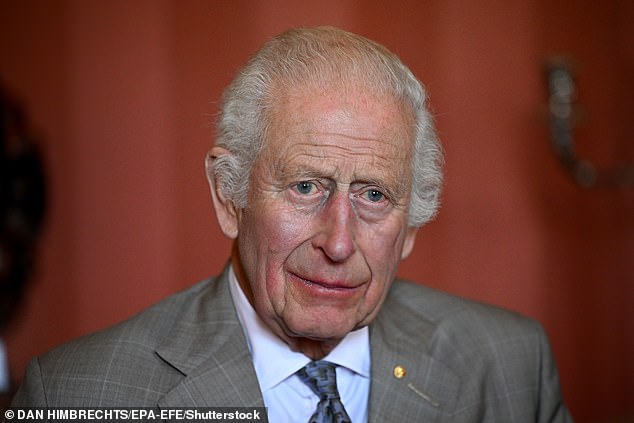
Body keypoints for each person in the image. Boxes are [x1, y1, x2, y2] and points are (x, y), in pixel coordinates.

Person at [11, 27, 572, 422]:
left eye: (374, 194)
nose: (339, 242)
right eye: (306, 187)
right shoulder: (73, 395)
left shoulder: (510, 364)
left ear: (411, 227)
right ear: (228, 196)